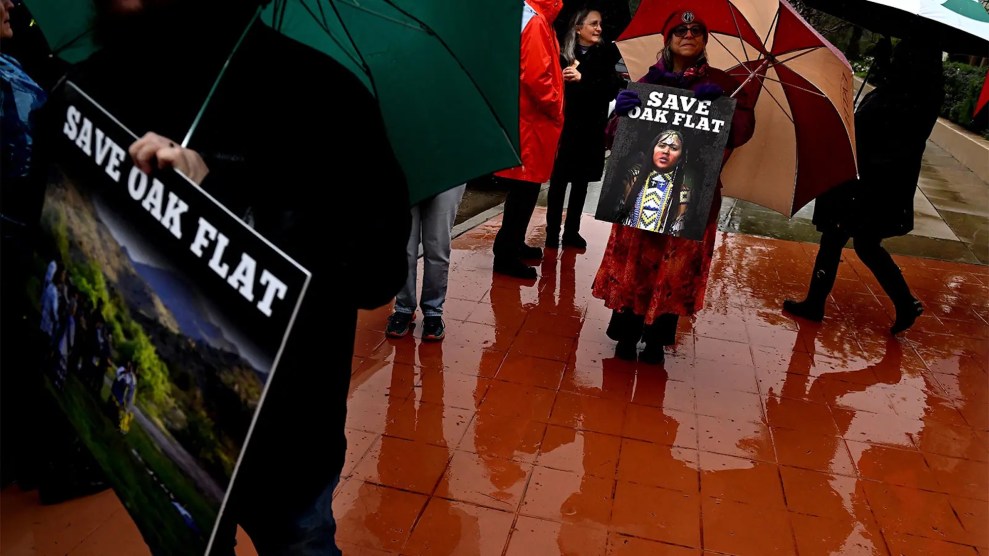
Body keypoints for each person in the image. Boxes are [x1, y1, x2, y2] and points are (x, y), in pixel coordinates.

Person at [34, 0, 411, 553]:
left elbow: (377, 271)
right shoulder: (90, 88)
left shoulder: (325, 96)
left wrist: (228, 197)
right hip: (157, 445)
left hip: (288, 440)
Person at [591, 9, 756, 364]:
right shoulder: (648, 80)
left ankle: (656, 339)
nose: (688, 34)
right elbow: (614, 139)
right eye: (680, 29)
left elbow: (741, 132)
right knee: (637, 267)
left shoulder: (723, 83)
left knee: (674, 272)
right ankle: (626, 332)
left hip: (690, 200)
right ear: (668, 38)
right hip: (642, 198)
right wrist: (619, 112)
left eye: (697, 29)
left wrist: (726, 110)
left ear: (704, 39)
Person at [782, 37, 943, 335]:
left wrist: (855, 125)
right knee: (853, 241)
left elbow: (883, 130)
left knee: (845, 238)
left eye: (901, 52)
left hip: (871, 181)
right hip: (873, 179)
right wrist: (882, 68)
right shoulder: (915, 89)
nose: (897, 56)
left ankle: (899, 303)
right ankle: (896, 302)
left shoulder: (912, 95)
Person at [492, 0, 565, 280]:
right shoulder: (536, 21)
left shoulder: (537, 18)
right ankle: (506, 254)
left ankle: (512, 243)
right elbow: (536, 76)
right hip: (532, 124)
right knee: (524, 190)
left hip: (532, 122)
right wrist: (556, 105)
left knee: (527, 189)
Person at [545, 7, 624, 249]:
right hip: (564, 129)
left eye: (600, 24)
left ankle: (572, 232)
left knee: (581, 182)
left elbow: (613, 87)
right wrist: (562, 77)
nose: (599, 29)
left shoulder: (605, 55)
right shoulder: (560, 53)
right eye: (593, 24)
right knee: (558, 182)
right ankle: (551, 233)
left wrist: (583, 79)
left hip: (591, 130)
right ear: (578, 28)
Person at [385, 183, 466, 341]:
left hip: (447, 174)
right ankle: (404, 308)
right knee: (404, 246)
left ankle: (433, 311)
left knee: (438, 246)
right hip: (407, 173)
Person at [614, 129, 691, 235]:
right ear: (653, 149)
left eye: (673, 148)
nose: (666, 151)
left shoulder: (683, 192)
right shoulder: (632, 178)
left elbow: (678, 230)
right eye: (662, 145)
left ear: (681, 158)